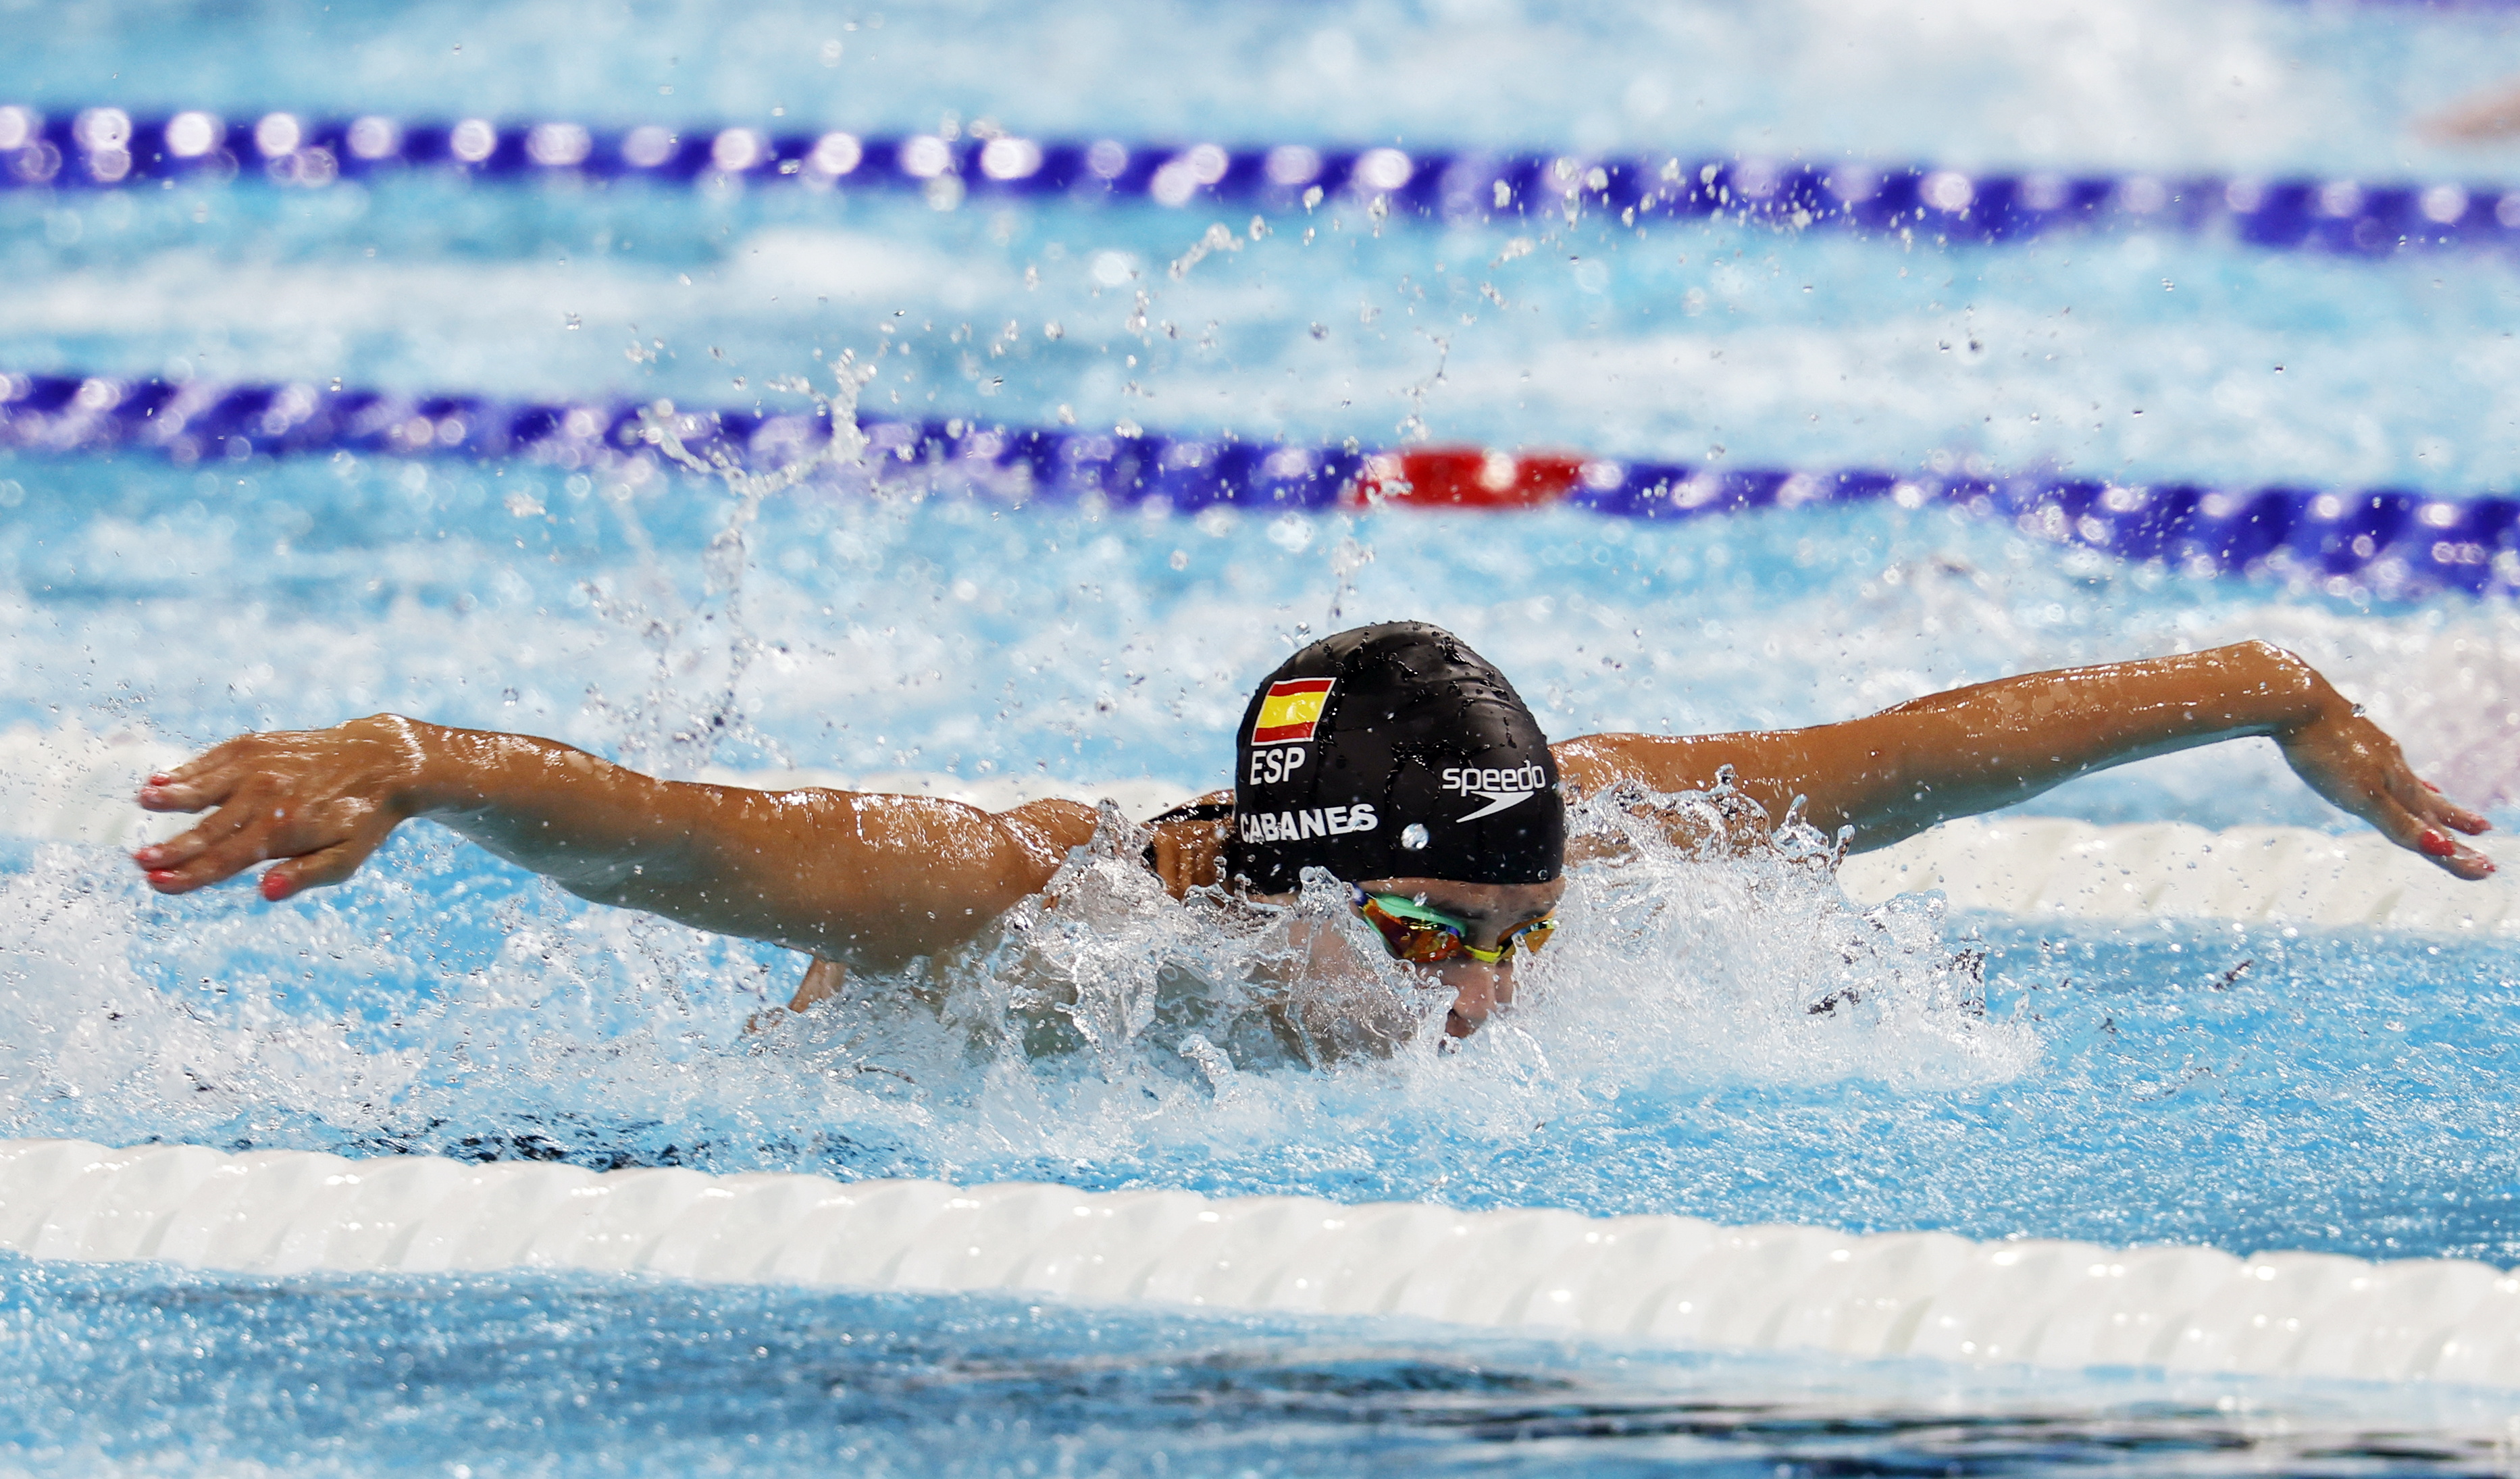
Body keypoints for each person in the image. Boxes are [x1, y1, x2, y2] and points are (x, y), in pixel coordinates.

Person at [130, 623, 2494, 1039]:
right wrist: (426, 764)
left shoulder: (1627, 844)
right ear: (1266, 874)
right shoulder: (1046, 908)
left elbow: (1945, 741)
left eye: (1519, 924)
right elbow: (691, 837)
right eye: (1436, 932)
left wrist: (2275, 701)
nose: (1486, 986)